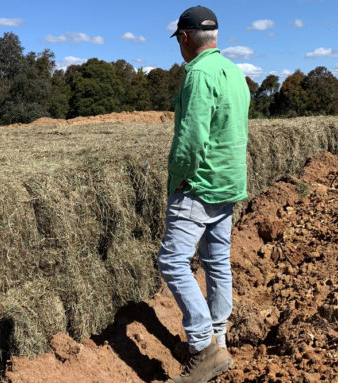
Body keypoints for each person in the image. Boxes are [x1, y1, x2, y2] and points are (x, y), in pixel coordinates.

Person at [158, 5, 250, 383]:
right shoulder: (234, 71)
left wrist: (178, 178)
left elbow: (192, 137)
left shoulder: (197, 74)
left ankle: (203, 346)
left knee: (172, 261)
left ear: (184, 38)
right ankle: (220, 340)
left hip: (199, 184)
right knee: (216, 262)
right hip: (229, 183)